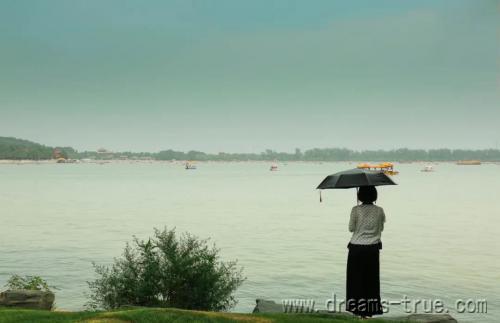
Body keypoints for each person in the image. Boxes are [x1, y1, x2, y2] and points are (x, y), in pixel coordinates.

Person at [346, 185, 385, 318]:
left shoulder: (355, 210)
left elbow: (351, 228)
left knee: (355, 280)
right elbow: (381, 228)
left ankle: (357, 310)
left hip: (356, 248)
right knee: (371, 280)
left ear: (359, 196)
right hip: (372, 249)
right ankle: (369, 312)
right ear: (375, 196)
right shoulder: (379, 210)